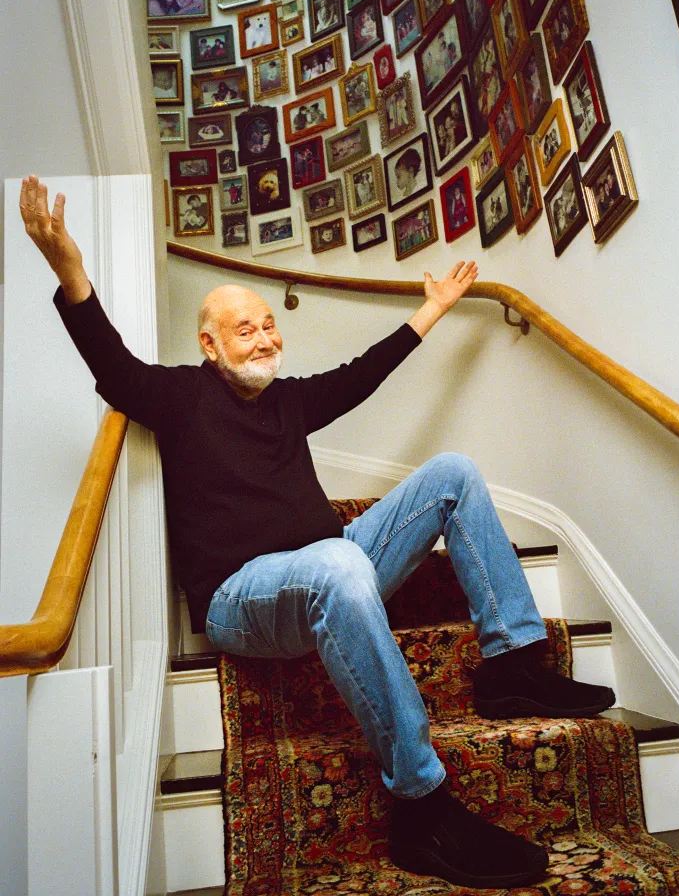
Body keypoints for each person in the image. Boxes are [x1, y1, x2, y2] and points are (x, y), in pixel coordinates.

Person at [19, 176, 615, 891]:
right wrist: (71, 272)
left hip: (335, 570)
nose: (267, 336)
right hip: (242, 601)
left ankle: (511, 663)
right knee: (338, 561)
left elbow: (362, 375)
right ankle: (422, 806)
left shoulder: (290, 399)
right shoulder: (179, 399)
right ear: (209, 345)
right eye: (247, 329)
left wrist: (431, 310)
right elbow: (111, 366)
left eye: (270, 323)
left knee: (451, 472)